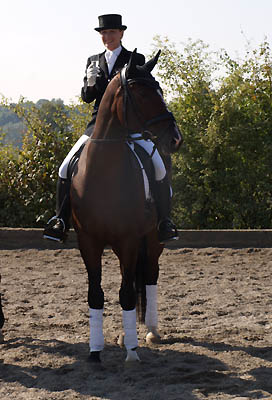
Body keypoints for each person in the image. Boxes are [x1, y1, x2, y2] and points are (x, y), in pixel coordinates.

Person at [43, 14, 178, 244]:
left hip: (131, 125)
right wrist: (91, 83)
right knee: (66, 167)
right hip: (99, 126)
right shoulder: (93, 60)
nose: (107, 37)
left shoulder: (135, 59)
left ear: (121, 34)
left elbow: (143, 93)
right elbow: (87, 97)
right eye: (104, 33)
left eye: (112, 32)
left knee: (158, 167)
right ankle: (60, 220)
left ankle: (164, 221)